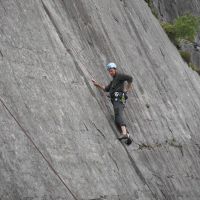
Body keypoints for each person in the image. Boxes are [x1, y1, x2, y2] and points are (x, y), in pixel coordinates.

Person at [92, 62, 133, 140]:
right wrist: (97, 84)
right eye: (109, 71)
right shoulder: (113, 81)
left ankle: (124, 133)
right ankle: (127, 135)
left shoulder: (120, 76)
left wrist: (127, 89)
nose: (110, 72)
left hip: (119, 99)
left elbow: (130, 78)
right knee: (117, 119)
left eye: (111, 70)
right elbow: (106, 89)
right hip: (115, 100)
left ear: (115, 69)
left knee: (118, 116)